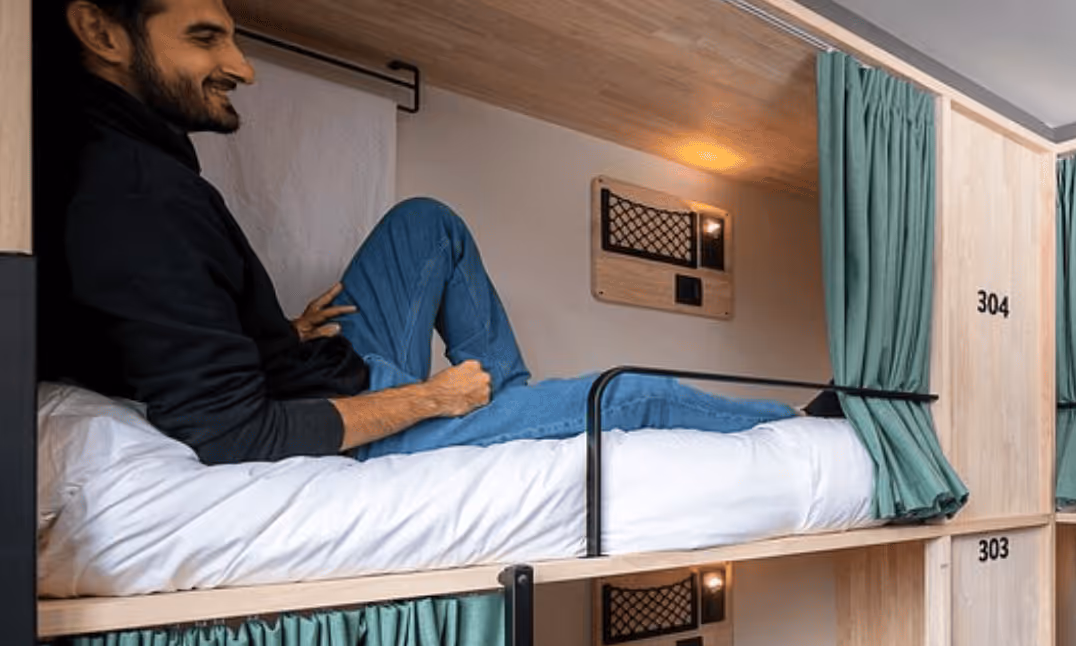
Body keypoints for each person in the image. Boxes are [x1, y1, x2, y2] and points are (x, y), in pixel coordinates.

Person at [39, 0, 795, 466]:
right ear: (100, 30)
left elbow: (174, 335)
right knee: (628, 397)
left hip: (323, 371)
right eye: (205, 39)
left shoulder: (129, 161)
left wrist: (273, 333)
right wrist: (431, 400)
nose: (242, 65)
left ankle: (511, 409)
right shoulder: (129, 198)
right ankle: (793, 422)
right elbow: (237, 434)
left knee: (426, 225)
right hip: (351, 423)